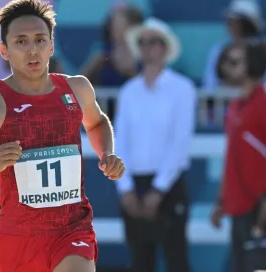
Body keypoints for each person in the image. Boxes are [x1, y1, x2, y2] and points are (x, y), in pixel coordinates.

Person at [0, 0, 125, 271]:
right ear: (4, 51)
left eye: (40, 40)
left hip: (72, 229)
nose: (33, 50)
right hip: (19, 238)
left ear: (52, 45)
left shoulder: (77, 88)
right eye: (21, 42)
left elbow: (97, 123)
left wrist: (106, 153)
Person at [115, 18, 196, 272]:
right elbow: (118, 140)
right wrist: (125, 188)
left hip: (169, 185)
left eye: (153, 41)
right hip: (135, 184)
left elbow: (179, 143)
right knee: (140, 261)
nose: (147, 47)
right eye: (143, 42)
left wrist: (158, 190)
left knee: (176, 259)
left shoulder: (183, 89)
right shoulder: (128, 91)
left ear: (164, 48)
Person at [210, 41, 266, 272]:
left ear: (252, 64)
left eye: (234, 61)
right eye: (226, 60)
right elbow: (232, 157)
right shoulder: (234, 106)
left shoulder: (263, 103)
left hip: (259, 207)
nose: (226, 66)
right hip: (239, 208)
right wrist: (221, 201)